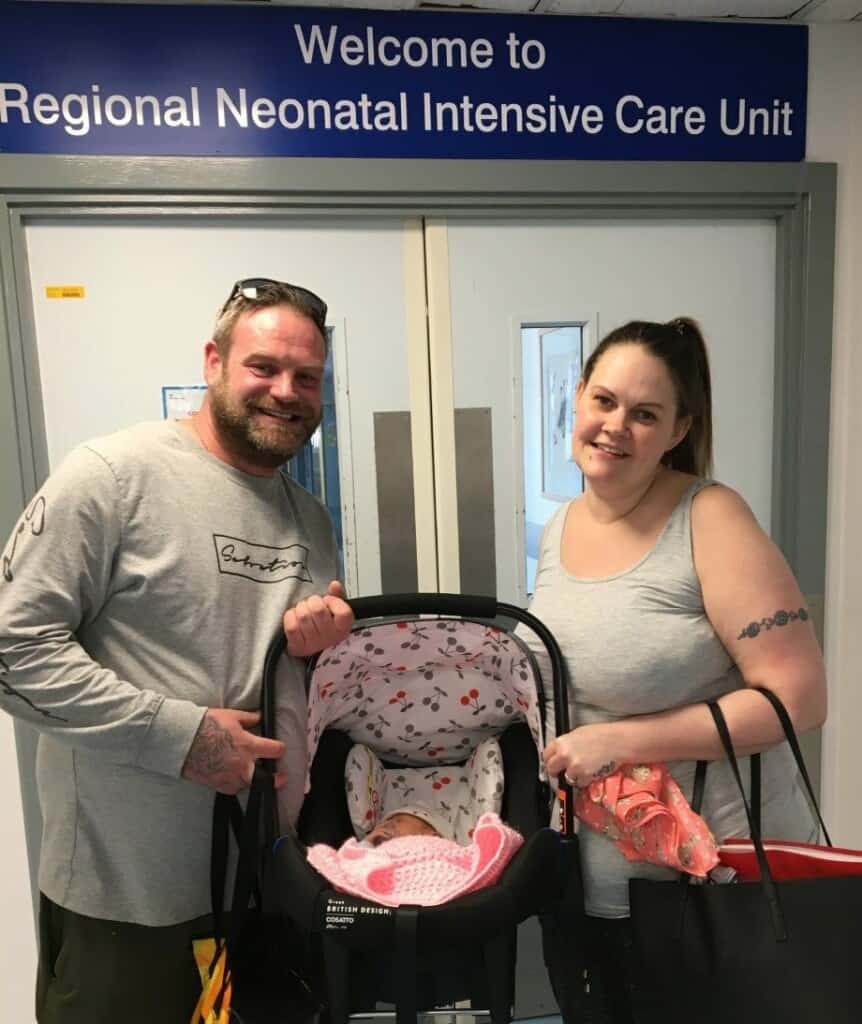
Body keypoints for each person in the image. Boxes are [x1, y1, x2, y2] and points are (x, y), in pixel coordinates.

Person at [0, 277, 355, 1024]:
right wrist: (183, 737)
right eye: (264, 366)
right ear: (215, 361)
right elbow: (12, 649)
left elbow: (294, 685)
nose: (285, 391)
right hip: (126, 900)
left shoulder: (311, 520)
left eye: (307, 377)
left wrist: (313, 650)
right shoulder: (112, 476)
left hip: (261, 887)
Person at [524, 317, 827, 1023]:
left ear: (679, 428)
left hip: (715, 883)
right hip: (598, 884)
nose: (615, 426)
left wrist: (622, 741)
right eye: (603, 401)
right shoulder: (562, 525)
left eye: (645, 413)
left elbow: (798, 701)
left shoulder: (710, 517)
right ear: (578, 397)